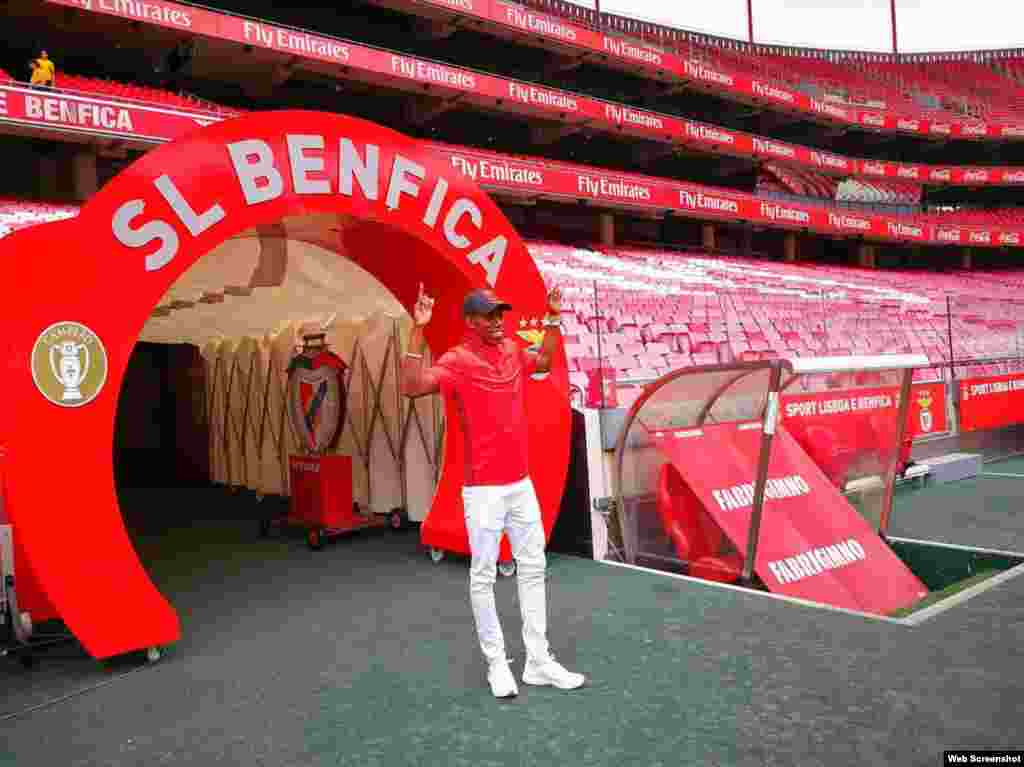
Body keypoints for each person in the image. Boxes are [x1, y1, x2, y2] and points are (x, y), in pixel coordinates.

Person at [400, 283, 585, 699]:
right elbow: (412, 386)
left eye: (501, 314)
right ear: (471, 321)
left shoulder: (513, 350)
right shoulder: (457, 361)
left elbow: (544, 363)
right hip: (482, 490)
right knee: (483, 575)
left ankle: (538, 662)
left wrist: (552, 318)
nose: (499, 321)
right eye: (490, 315)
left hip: (521, 484)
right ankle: (497, 664)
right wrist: (418, 329)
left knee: (533, 566)